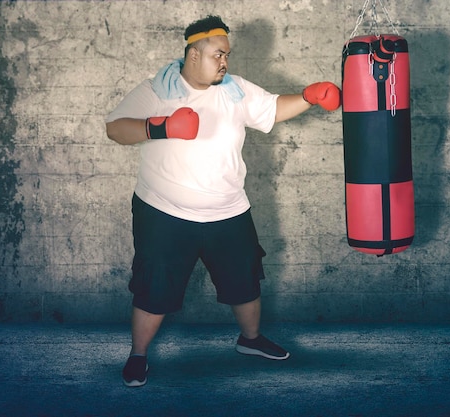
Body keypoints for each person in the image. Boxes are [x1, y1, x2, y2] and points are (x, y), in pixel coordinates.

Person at [105, 15, 341, 387]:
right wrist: (161, 126)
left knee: (245, 280)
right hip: (165, 211)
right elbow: (115, 128)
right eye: (218, 54)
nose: (225, 62)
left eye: (227, 54)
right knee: (154, 286)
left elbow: (273, 109)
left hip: (228, 209)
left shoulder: (234, 89)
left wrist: (310, 97)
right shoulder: (157, 90)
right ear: (194, 54)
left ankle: (250, 341)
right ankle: (138, 356)